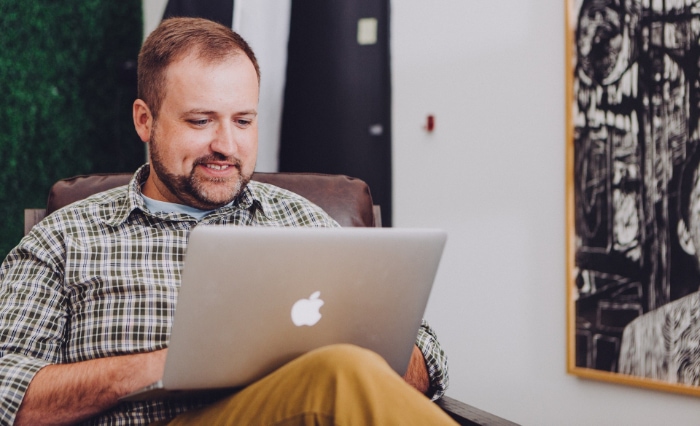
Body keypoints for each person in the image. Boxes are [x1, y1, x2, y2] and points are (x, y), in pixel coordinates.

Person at [0, 17, 454, 425]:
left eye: (243, 120)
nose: (227, 145)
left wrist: (312, 354)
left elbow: (427, 357)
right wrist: (167, 364)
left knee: (342, 371)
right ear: (145, 120)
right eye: (201, 121)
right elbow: (7, 389)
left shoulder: (299, 220)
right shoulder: (65, 238)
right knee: (341, 374)